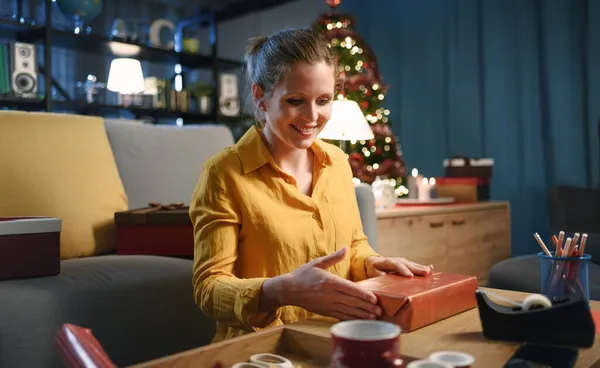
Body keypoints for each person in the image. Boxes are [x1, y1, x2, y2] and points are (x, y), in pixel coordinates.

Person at [189, 28, 433, 343]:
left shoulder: (338, 164)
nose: (312, 116)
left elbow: (353, 246)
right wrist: (282, 290)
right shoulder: (223, 174)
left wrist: (373, 263)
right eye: (295, 101)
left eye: (323, 100)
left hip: (340, 338)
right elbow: (208, 288)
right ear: (260, 97)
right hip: (263, 350)